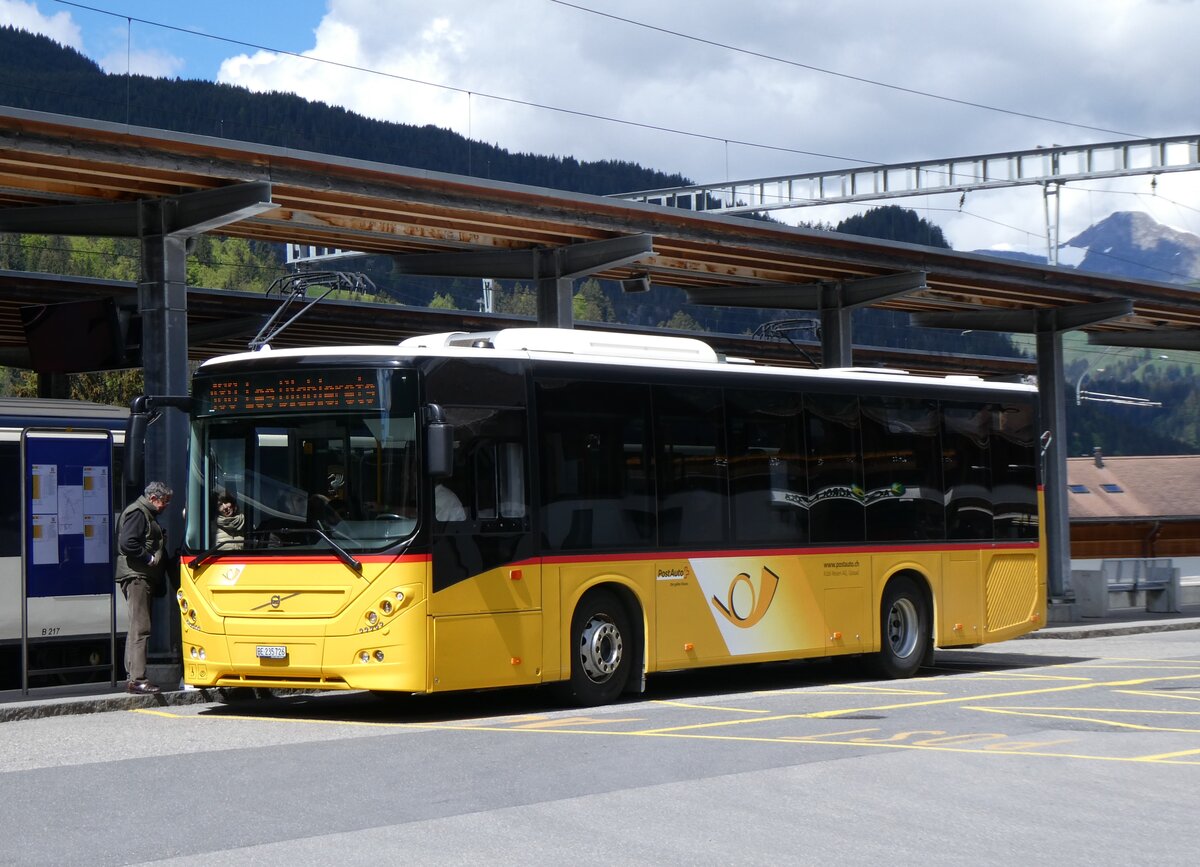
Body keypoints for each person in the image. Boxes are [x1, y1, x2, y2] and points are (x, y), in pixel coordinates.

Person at [116, 481, 172, 695]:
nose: (165, 506)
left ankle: (133, 677)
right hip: (138, 576)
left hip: (137, 576)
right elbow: (127, 543)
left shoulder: (142, 513)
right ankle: (138, 679)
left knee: (136, 628)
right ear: (153, 498)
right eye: (164, 501)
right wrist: (148, 558)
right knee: (141, 627)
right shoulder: (139, 513)